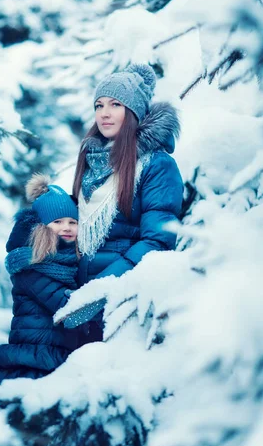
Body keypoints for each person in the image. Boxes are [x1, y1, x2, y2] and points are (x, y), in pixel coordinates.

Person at [56, 63, 184, 339]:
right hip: (81, 297)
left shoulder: (157, 165)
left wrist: (96, 292)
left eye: (115, 104)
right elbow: (75, 232)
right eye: (99, 105)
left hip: (121, 303)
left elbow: (157, 242)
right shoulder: (92, 163)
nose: (104, 113)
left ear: (134, 111)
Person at [0, 174, 80, 384]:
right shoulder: (31, 267)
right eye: (57, 222)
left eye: (73, 222)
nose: (67, 227)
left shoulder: (70, 261)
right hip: (35, 357)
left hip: (53, 351)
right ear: (41, 229)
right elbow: (65, 305)